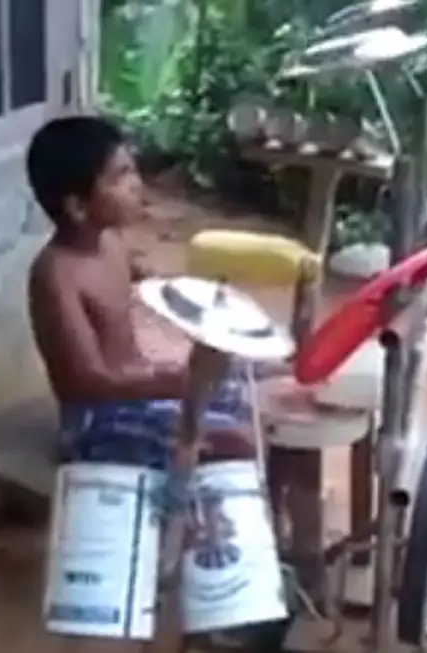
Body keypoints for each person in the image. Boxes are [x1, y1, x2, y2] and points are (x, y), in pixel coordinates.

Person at [25, 116, 256, 470]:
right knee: (237, 440)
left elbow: (158, 287)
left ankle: (280, 505)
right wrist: (168, 382)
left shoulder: (111, 242)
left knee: (248, 385)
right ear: (77, 206)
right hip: (97, 422)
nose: (137, 184)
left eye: (132, 170)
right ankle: (198, 517)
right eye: (120, 176)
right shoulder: (56, 275)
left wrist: (210, 299)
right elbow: (87, 382)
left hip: (140, 388)